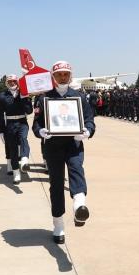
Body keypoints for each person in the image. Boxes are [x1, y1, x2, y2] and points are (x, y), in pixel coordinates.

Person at [32, 61, 95, 244]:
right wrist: (41, 132)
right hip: (53, 147)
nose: (63, 77)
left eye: (66, 74)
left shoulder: (79, 97)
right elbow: (36, 124)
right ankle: (58, 224)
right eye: (59, 74)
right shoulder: (44, 98)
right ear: (53, 76)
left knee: (77, 171)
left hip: (73, 145)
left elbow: (90, 120)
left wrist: (87, 132)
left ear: (70, 76)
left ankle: (79, 206)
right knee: (57, 185)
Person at [0, 74, 32, 184]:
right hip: (10, 124)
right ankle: (16, 173)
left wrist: (25, 99)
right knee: (13, 148)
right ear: (7, 83)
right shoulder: (2, 96)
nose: (12, 83)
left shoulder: (23, 93)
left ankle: (24, 159)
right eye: (10, 82)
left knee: (23, 138)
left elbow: (29, 111)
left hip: (22, 122)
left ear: (18, 82)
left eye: (14, 81)